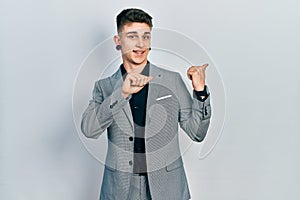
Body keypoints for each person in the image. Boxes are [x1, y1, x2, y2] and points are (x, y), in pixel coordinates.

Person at [81, 8, 211, 200]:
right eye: (132, 36)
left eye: (146, 36)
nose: (140, 44)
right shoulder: (105, 87)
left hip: (167, 187)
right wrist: (122, 93)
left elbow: (197, 133)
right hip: (121, 188)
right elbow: (89, 130)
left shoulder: (171, 80)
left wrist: (200, 92)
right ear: (118, 41)